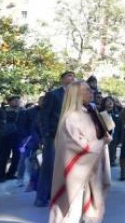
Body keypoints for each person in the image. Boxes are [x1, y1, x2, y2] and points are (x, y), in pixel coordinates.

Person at [49, 81, 111, 223]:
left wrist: (105, 135)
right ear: (76, 94)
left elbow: (99, 134)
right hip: (77, 171)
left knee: (89, 207)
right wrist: (102, 142)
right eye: (87, 90)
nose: (92, 92)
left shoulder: (91, 111)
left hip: (93, 167)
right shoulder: (71, 117)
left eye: (91, 90)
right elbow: (77, 146)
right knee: (73, 209)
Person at [36, 71, 75, 207]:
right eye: (69, 76)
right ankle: (41, 197)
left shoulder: (75, 95)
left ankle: (59, 196)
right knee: (49, 166)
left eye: (73, 76)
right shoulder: (53, 94)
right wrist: (46, 133)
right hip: (53, 136)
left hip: (69, 137)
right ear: (62, 79)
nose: (71, 78)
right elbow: (44, 115)